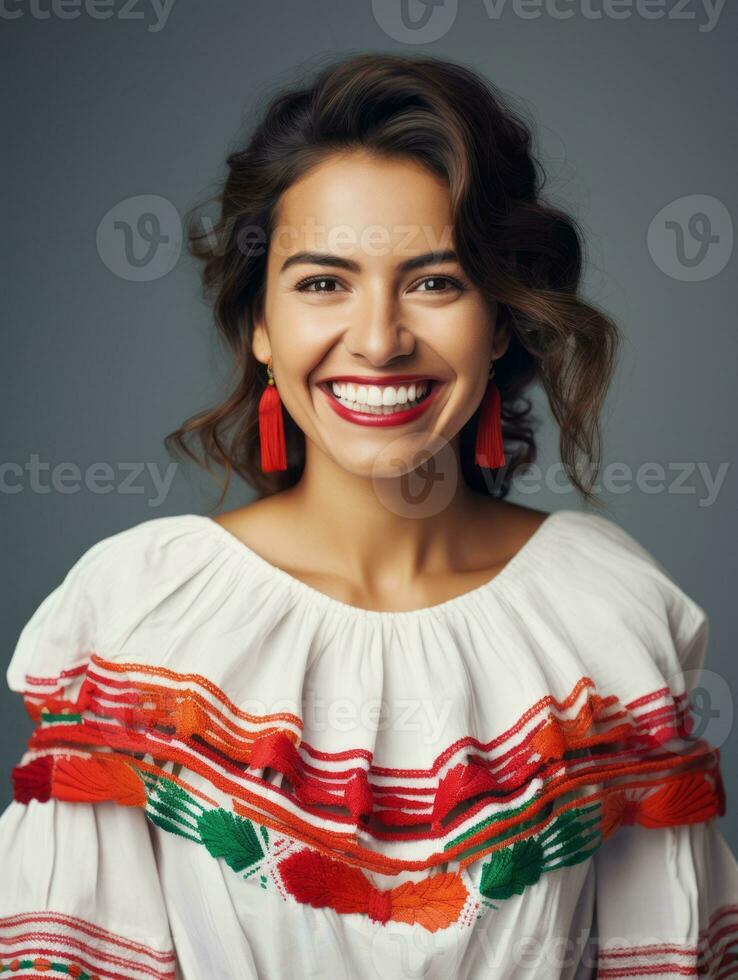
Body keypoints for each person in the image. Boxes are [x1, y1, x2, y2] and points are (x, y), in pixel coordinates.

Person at [1, 53, 736, 980]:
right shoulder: (139, 617)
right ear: (257, 326)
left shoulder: (608, 613)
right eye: (322, 283)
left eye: (435, 282)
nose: (381, 339)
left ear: (501, 322)